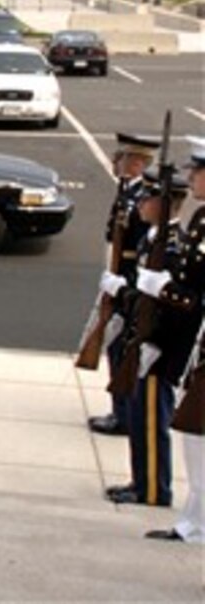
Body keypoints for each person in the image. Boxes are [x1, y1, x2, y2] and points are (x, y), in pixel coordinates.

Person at [102, 169, 199, 507]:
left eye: (148, 198)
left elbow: (178, 305)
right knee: (139, 415)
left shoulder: (172, 245)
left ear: (164, 203)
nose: (140, 204)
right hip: (144, 340)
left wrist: (153, 339)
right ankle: (140, 482)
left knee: (151, 419)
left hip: (159, 347)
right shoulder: (153, 236)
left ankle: (154, 489)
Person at [146, 136, 205, 542]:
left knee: (199, 435)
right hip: (193, 345)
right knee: (194, 438)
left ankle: (197, 523)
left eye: (197, 172)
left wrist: (164, 289)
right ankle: (194, 520)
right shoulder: (201, 219)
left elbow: (197, 292)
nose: (191, 178)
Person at [88, 132, 158, 436]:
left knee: (121, 348)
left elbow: (143, 249)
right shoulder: (127, 191)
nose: (116, 162)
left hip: (129, 281)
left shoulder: (144, 197)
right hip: (118, 276)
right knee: (115, 346)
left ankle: (124, 415)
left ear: (138, 163)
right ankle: (120, 410)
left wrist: (123, 284)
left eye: (123, 158)